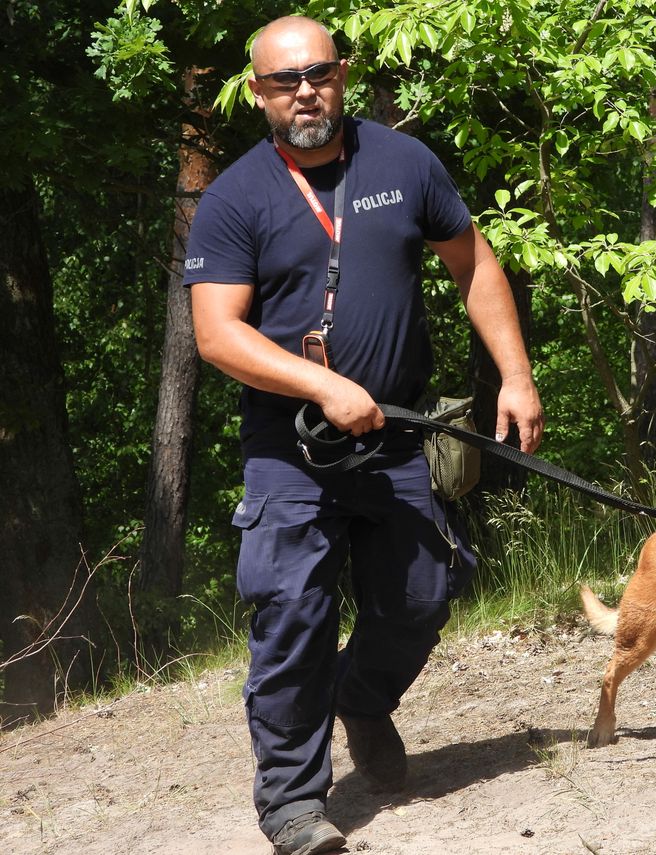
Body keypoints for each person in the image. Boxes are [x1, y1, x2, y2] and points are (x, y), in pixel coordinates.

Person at [184, 15, 543, 855]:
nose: (304, 90)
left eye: (318, 72)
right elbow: (217, 334)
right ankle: (293, 803)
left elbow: (476, 264)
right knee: (291, 614)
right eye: (284, 80)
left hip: (396, 438)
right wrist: (320, 383)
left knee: (423, 595)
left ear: (341, 75)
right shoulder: (235, 196)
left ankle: (363, 696)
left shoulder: (404, 162)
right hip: (290, 447)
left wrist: (516, 375)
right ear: (256, 92)